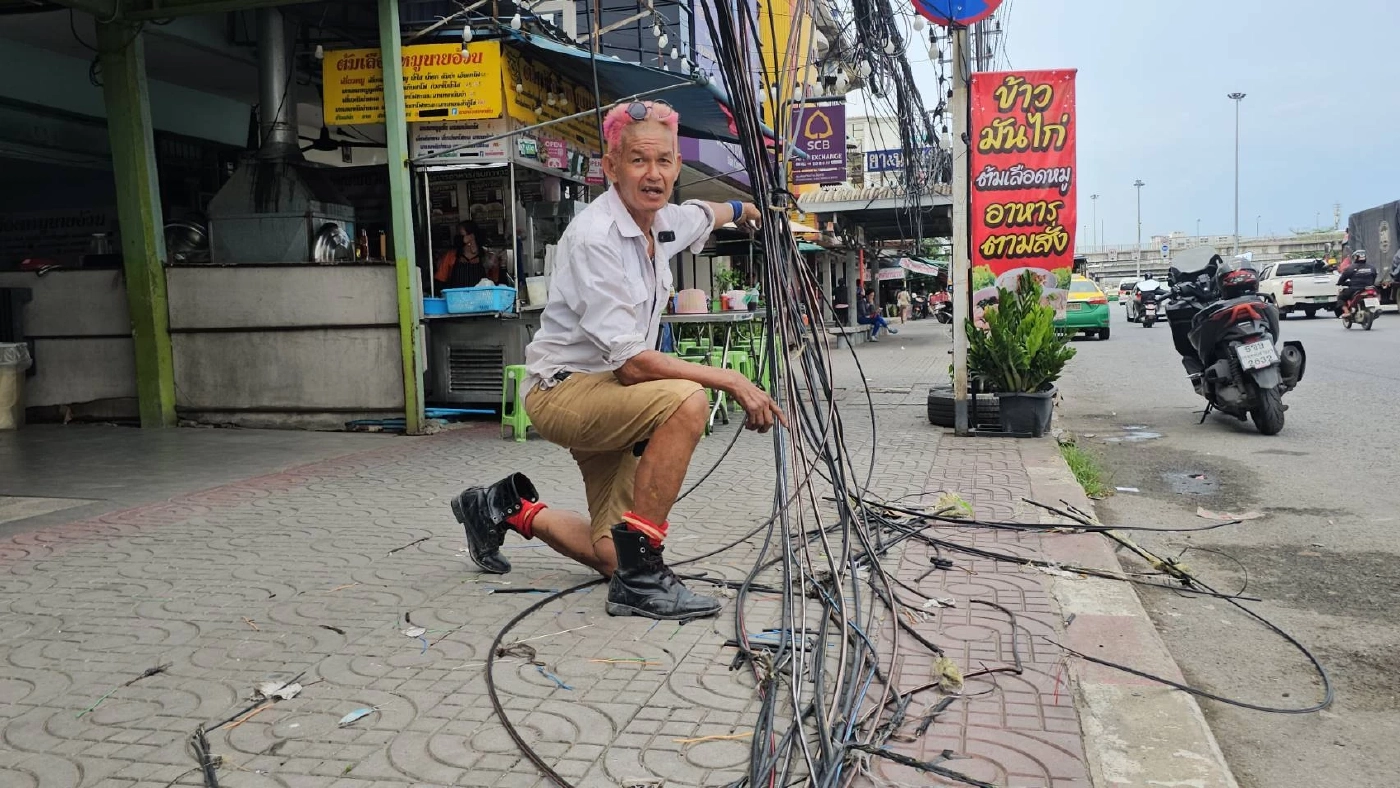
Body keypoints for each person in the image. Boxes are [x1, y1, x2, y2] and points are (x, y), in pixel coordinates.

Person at [448, 100, 785, 622]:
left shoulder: (665, 221)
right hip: (565, 393)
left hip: (611, 397)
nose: (654, 174)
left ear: (677, 166)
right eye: (638, 160)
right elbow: (631, 365)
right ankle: (644, 577)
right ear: (611, 167)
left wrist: (748, 210)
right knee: (687, 401)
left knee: (611, 556)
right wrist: (731, 379)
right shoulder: (595, 238)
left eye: (665, 161)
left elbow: (707, 214)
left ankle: (503, 507)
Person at [435, 221, 511, 289]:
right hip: (457, 301)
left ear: (471, 236)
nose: (457, 237)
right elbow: (439, 282)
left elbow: (498, 284)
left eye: (460, 234)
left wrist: (501, 265)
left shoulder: (487, 257)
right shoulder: (451, 256)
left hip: (482, 301)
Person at [1336, 249, 1376, 318]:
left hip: (1355, 289)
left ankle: (1346, 312)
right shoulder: (1372, 267)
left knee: (1340, 297)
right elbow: (1374, 277)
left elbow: (1343, 278)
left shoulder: (1351, 267)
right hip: (1369, 288)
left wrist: (1340, 283)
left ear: (1356, 257)